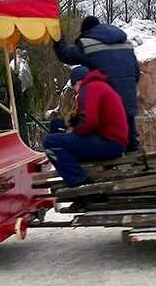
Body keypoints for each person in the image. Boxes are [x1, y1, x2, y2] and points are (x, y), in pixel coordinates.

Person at [54, 15, 141, 151]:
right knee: (131, 147)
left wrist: (57, 35)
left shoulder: (89, 44)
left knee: (106, 145)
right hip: (129, 104)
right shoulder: (126, 43)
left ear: (86, 31)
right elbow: (136, 73)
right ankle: (136, 170)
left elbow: (66, 54)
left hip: (108, 108)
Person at [42, 66, 128, 187]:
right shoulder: (100, 86)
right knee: (57, 125)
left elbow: (89, 122)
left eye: (74, 87)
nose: (76, 91)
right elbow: (91, 118)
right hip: (113, 140)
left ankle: (78, 180)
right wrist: (70, 125)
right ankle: (74, 167)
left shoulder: (89, 89)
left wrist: (73, 133)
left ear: (77, 82)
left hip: (109, 143)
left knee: (50, 142)